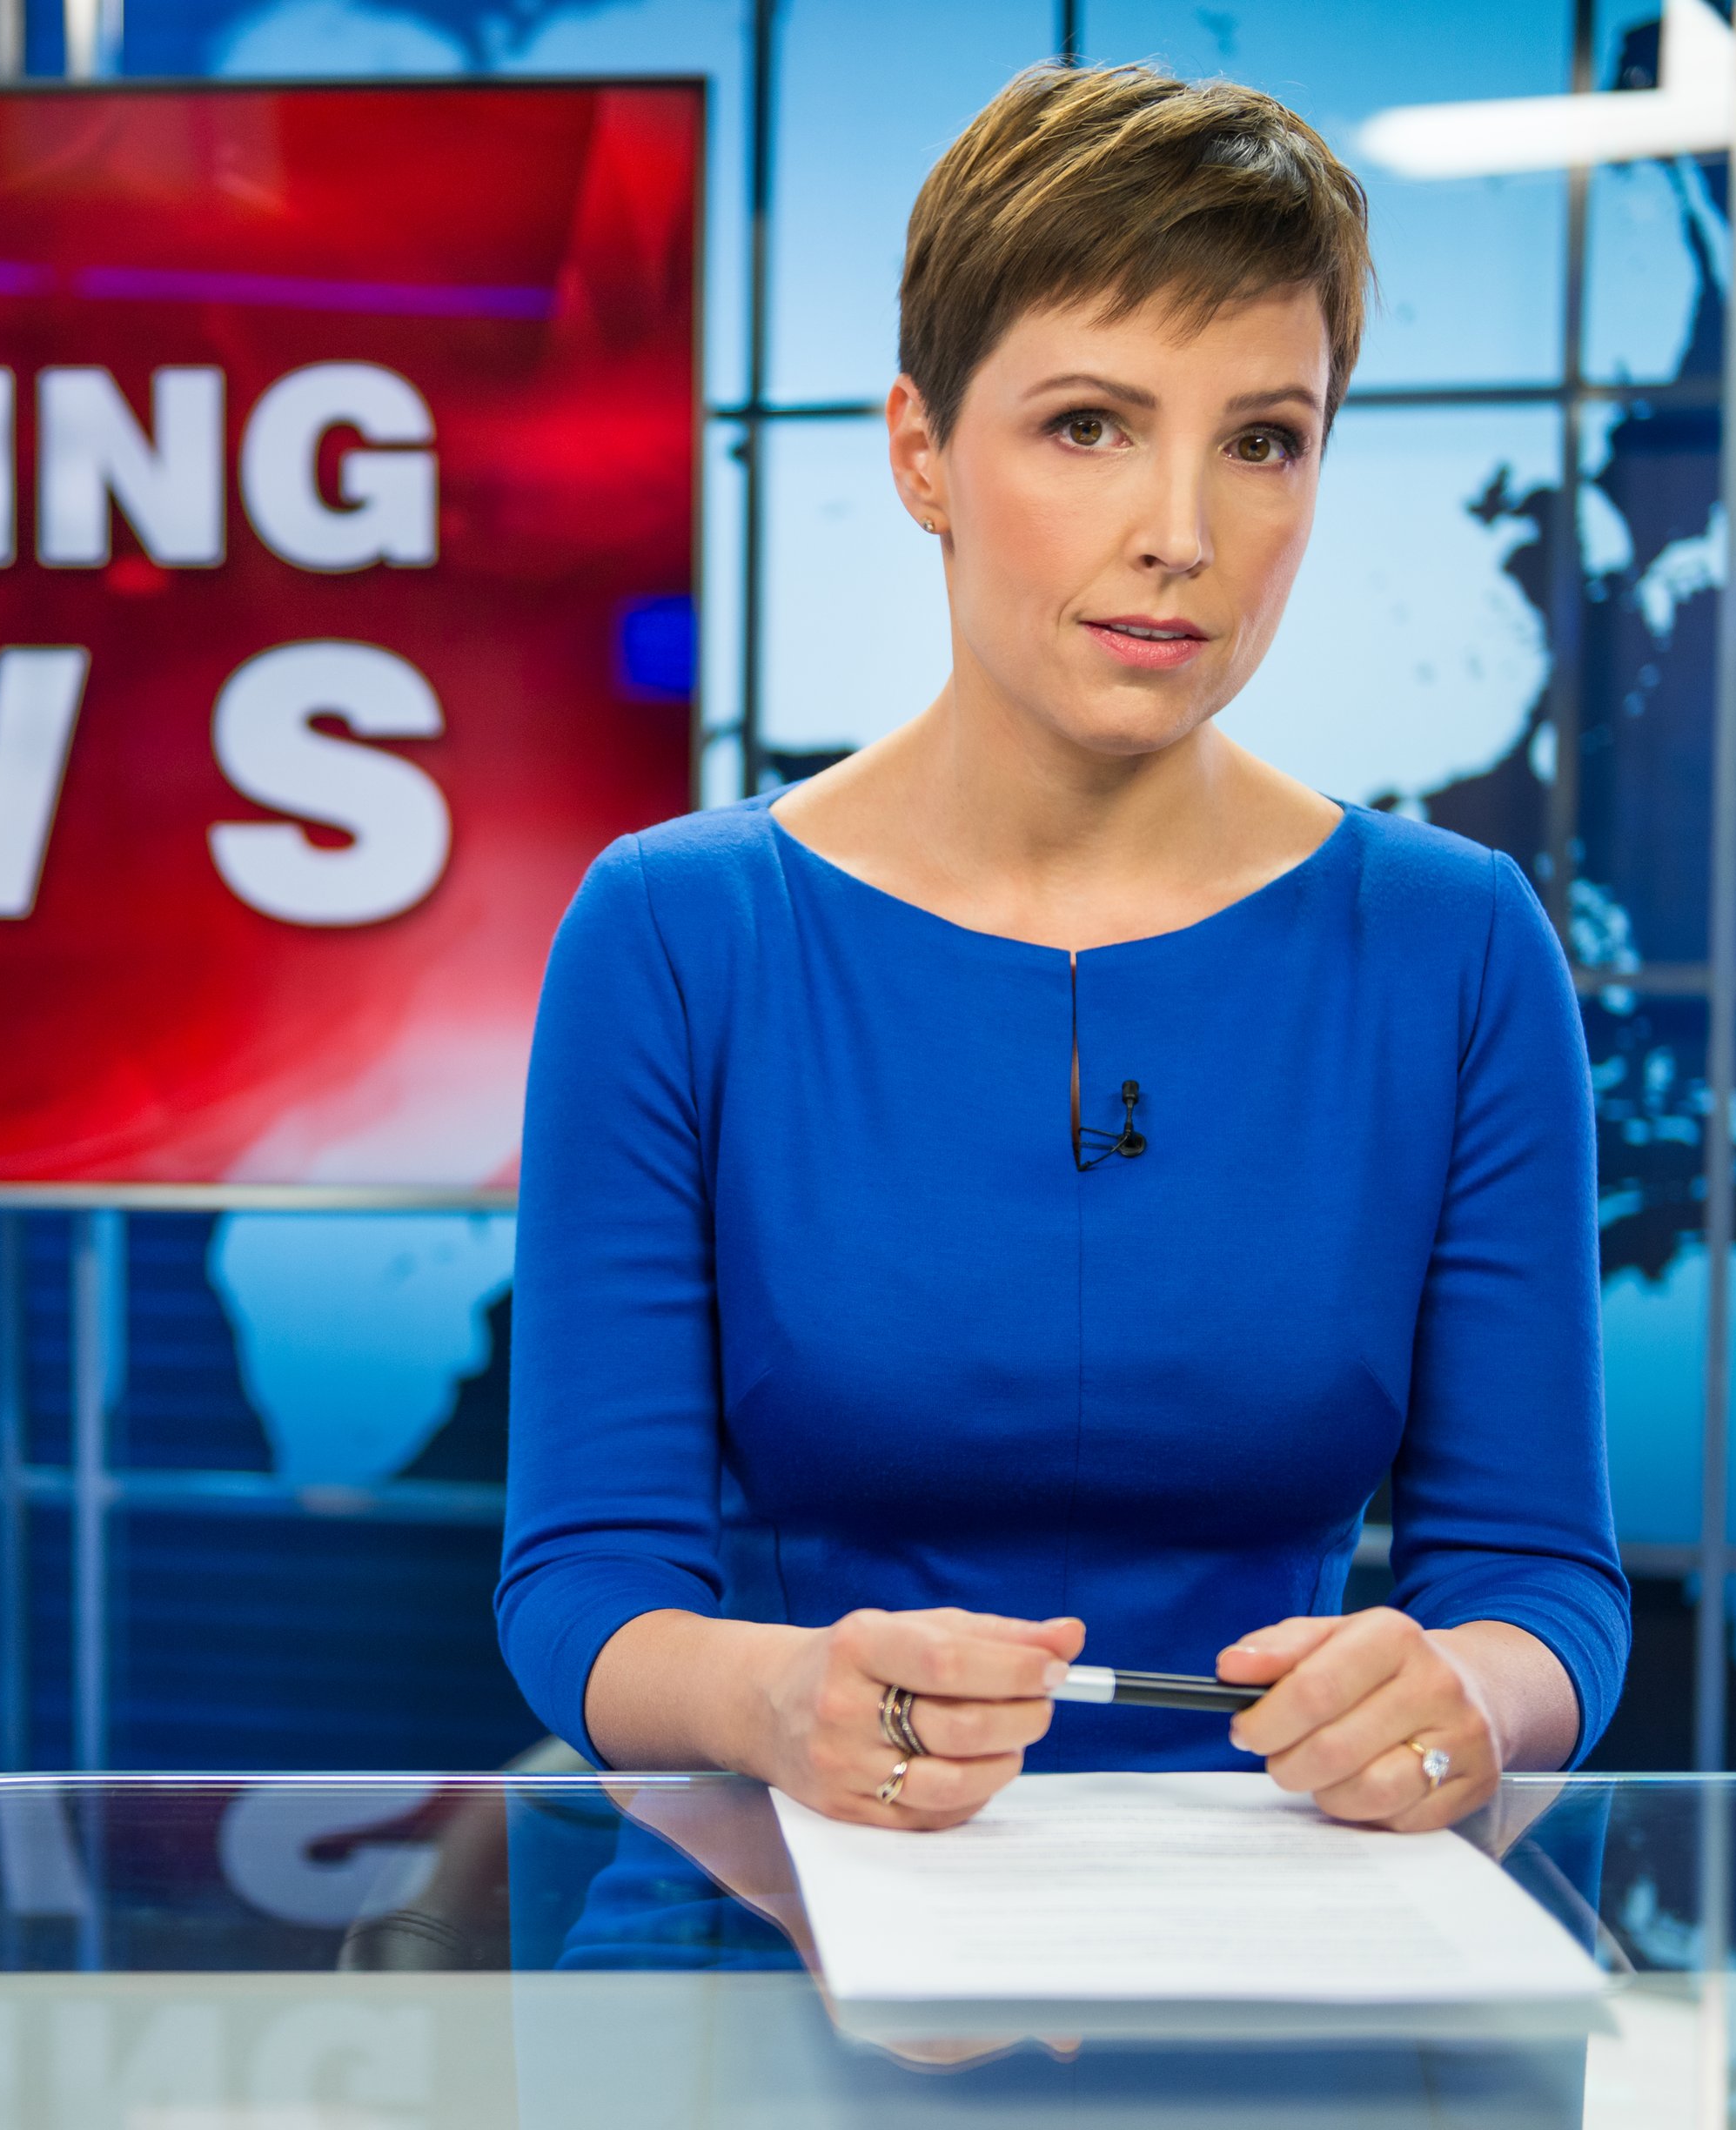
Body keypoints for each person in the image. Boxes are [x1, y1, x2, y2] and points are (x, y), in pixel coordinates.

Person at [497, 61, 1627, 1834]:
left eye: (1264, 439)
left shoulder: (1459, 950)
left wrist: (1471, 1690)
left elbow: (1546, 1583)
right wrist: (773, 1694)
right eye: (1090, 424)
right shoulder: (676, 935)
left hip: (1298, 1923)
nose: (1182, 530)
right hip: (801, 1907)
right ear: (922, 453)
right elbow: (583, 1583)